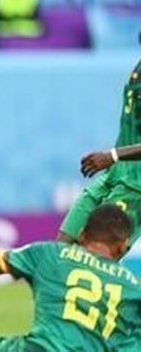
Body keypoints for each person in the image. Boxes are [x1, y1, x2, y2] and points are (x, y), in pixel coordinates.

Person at [0, 205, 141, 352]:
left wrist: (17, 265)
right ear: (123, 246)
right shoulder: (133, 286)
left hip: (39, 348)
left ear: (82, 234)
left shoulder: (50, 254)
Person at [58, 60, 141, 247]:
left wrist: (114, 155)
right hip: (115, 173)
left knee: (96, 254)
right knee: (62, 247)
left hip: (137, 186)